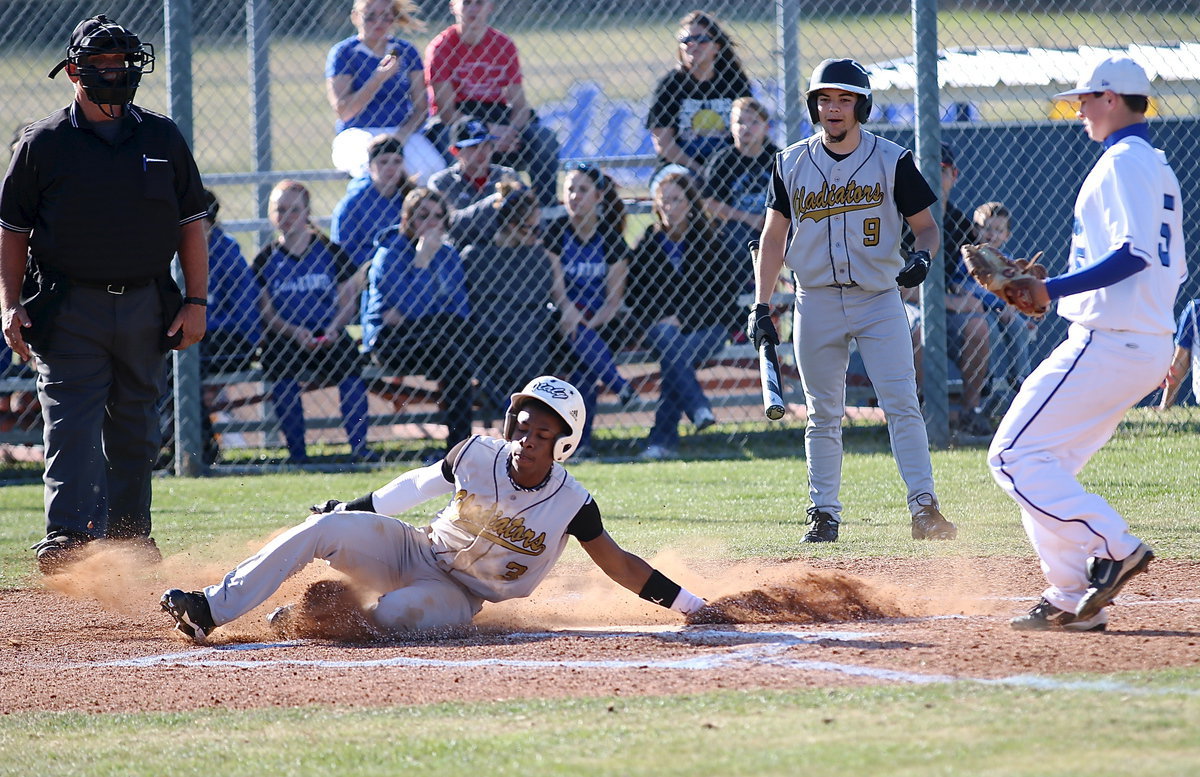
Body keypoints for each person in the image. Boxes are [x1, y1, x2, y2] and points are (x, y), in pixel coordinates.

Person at [159, 376, 708, 641]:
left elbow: (618, 564)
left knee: (397, 617)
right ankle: (209, 608)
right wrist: (350, 508)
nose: (526, 437)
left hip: (460, 593)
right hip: (414, 548)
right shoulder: (477, 452)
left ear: (563, 444)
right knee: (321, 527)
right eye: (522, 424)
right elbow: (416, 486)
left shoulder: (571, 503)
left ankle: (311, 624)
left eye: (543, 432)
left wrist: (691, 604)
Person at [0, 15, 208, 573]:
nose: (116, 75)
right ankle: (66, 539)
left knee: (137, 426)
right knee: (70, 419)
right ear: (74, 71)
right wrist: (9, 304)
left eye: (123, 65)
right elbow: (12, 232)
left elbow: (192, 223)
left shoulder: (162, 136)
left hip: (145, 302)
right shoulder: (42, 144)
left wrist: (196, 301)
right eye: (102, 66)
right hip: (69, 304)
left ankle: (129, 539)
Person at [990, 57, 1185, 632]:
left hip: (1111, 340)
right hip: (1136, 340)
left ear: (1112, 97)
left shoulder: (1126, 161)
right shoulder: (1151, 163)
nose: (1078, 108)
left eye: (1085, 98)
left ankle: (1115, 548)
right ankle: (1072, 596)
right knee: (1043, 463)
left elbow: (1134, 254)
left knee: (1011, 455)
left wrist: (1050, 288)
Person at [749, 58, 958, 544]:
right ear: (813, 106)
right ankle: (823, 514)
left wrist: (922, 261)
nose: (833, 108)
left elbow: (927, 228)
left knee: (903, 404)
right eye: (824, 99)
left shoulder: (892, 159)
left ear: (861, 105)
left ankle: (924, 509)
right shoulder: (791, 162)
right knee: (823, 412)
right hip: (814, 299)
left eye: (844, 99)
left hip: (878, 298)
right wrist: (762, 306)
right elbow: (773, 236)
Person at [253, 180, 374, 464]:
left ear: (307, 212)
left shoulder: (329, 251)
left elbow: (348, 301)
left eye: (294, 210)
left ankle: (360, 448)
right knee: (282, 375)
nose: (287, 217)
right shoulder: (265, 259)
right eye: (279, 210)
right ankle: (299, 454)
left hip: (328, 331)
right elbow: (267, 312)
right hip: (286, 336)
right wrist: (294, 332)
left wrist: (334, 327)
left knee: (351, 371)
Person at [627, 172, 741, 460]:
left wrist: (684, 320)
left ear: (690, 203)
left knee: (673, 358)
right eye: (663, 201)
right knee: (670, 343)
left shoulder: (711, 240)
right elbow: (636, 297)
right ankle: (697, 407)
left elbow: (723, 300)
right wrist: (666, 317)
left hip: (707, 329)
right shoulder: (649, 243)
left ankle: (663, 441)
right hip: (661, 329)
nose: (669, 207)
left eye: (676, 200)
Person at [363, 188, 475, 450]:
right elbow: (412, 308)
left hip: (439, 340)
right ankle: (461, 448)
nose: (432, 223)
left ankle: (458, 450)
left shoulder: (448, 254)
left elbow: (461, 309)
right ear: (407, 220)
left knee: (456, 355)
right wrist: (421, 261)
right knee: (456, 350)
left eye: (438, 216)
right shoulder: (388, 254)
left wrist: (420, 314)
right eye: (424, 215)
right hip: (391, 343)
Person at [424, 0, 561, 208]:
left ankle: (544, 213)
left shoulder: (503, 44)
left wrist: (510, 132)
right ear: (454, 7)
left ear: (490, 7)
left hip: (498, 116)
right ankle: (459, 215)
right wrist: (487, 134)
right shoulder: (441, 47)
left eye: (479, 3)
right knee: (449, 141)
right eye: (466, 3)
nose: (472, 9)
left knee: (545, 139)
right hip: (461, 119)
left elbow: (520, 105)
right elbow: (446, 111)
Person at [543, 163, 636, 455]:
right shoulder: (556, 232)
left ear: (598, 197)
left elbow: (613, 301)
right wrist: (572, 314)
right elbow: (558, 292)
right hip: (561, 321)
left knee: (584, 363)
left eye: (582, 190)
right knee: (583, 363)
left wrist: (589, 324)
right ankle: (616, 385)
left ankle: (578, 445)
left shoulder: (611, 239)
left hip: (602, 325)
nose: (574, 196)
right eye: (570, 189)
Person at [905, 142, 993, 438]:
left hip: (944, 305)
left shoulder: (959, 223)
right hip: (905, 303)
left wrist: (968, 299)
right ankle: (920, 415)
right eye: (923, 171)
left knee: (978, 326)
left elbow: (962, 280)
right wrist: (951, 302)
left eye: (939, 170)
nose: (931, 177)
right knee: (917, 330)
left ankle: (971, 412)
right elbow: (894, 287)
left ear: (954, 175)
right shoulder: (897, 217)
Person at [459, 183, 566, 415]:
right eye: (534, 230)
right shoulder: (475, 257)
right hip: (490, 338)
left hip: (530, 338)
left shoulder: (538, 258)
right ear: (512, 226)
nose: (540, 237)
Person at [326, 0, 446, 183]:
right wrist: (378, 78)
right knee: (371, 171)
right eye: (370, 16)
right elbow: (345, 111)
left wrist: (400, 137)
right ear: (356, 17)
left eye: (386, 17)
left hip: (402, 132)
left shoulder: (405, 51)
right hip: (358, 131)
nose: (378, 23)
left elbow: (421, 108)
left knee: (433, 171)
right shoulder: (344, 53)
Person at [646, 10, 751, 189]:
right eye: (686, 41)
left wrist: (720, 169)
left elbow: (749, 128)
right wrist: (698, 169)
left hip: (728, 166)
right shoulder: (670, 85)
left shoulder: (734, 82)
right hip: (680, 166)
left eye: (701, 39)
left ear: (716, 46)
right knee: (685, 183)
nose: (693, 44)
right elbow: (663, 142)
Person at [970, 201, 1038, 395]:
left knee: (1019, 328)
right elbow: (965, 285)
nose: (992, 235)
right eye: (987, 229)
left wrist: (1011, 306)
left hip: (1003, 308)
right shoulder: (971, 256)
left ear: (1007, 235)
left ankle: (1020, 375)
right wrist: (1001, 301)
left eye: (999, 230)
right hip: (980, 308)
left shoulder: (1006, 260)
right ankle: (985, 376)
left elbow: (1013, 286)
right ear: (976, 230)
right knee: (990, 330)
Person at [701, 96, 779, 254]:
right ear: (731, 127)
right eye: (740, 122)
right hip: (738, 223)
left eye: (754, 122)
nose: (746, 127)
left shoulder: (778, 158)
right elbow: (709, 202)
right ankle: (747, 280)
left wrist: (772, 222)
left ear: (766, 127)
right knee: (736, 238)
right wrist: (749, 218)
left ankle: (796, 279)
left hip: (776, 222)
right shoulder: (723, 161)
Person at [427, 116, 519, 248]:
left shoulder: (507, 175)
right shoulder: (441, 181)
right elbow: (451, 224)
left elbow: (527, 214)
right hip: (461, 252)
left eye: (485, 144)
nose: (482, 152)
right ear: (455, 151)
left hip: (505, 248)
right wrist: (495, 201)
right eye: (473, 147)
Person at [331, 134, 417, 269]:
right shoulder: (353, 203)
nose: (391, 168)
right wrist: (383, 260)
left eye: (397, 161)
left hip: (408, 267)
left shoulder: (410, 199)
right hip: (366, 271)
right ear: (370, 166)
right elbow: (343, 252)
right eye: (384, 162)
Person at [1159, 298, 1199, 410]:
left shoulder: (1195, 309)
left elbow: (1179, 364)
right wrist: (1165, 405)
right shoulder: (1195, 310)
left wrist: (1164, 406)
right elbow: (1179, 364)